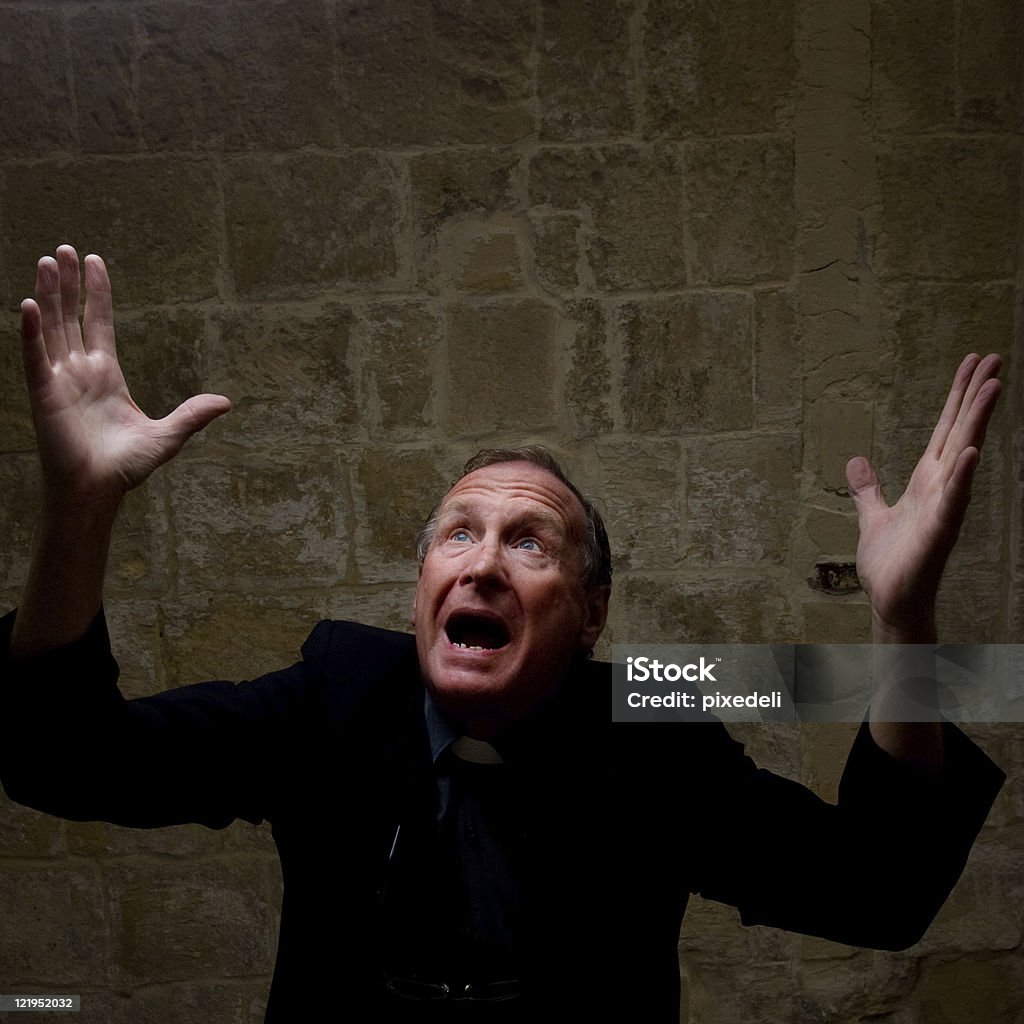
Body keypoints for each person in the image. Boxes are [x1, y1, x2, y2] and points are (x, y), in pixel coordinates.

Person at [0, 246, 1007, 1021]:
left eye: (529, 543)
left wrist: (901, 621)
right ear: (420, 589)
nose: (480, 562)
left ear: (593, 612)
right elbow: (66, 760)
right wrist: (80, 506)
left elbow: (878, 893)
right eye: (458, 534)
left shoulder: (653, 729)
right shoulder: (338, 692)